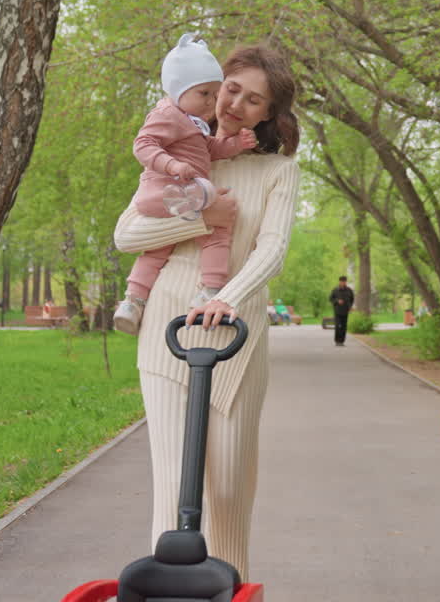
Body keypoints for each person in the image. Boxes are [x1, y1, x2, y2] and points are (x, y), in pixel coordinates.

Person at [111, 44, 300, 579]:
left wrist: (227, 299)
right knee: (173, 489)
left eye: (253, 99)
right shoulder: (184, 150)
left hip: (235, 338)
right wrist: (204, 215)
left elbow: (272, 249)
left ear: (269, 114)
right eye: (231, 88)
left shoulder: (277, 171)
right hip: (167, 331)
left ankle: (230, 589)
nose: (234, 103)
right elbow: (127, 234)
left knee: (227, 494)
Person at [113, 33, 259, 335]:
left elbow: (210, 150)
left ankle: (132, 302)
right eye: (204, 93)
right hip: (163, 189)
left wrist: (234, 145)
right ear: (178, 90)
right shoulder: (167, 113)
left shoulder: (190, 123)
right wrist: (172, 164)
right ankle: (211, 287)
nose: (211, 101)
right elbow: (143, 144)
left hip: (168, 202)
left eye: (213, 94)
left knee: (156, 250)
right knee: (218, 227)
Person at [329, 275, 354, 345]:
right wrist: (337, 301)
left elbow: (352, 299)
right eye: (342, 281)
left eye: (345, 281)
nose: (343, 283)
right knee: (337, 326)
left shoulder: (349, 290)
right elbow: (330, 299)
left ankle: (342, 341)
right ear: (339, 282)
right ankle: (337, 341)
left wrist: (350, 307)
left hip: (345, 311)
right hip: (337, 311)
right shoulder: (335, 290)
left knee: (344, 327)